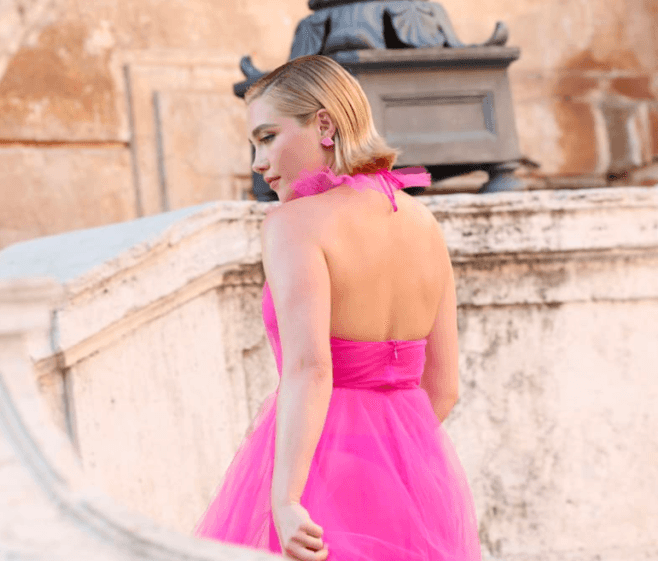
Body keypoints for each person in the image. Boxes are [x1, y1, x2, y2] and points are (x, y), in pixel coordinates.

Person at [192, 54, 481, 560]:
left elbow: (309, 367)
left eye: (267, 137)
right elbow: (443, 387)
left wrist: (284, 499)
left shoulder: (294, 224)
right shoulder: (422, 223)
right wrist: (384, 465)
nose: (258, 164)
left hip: (314, 471)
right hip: (408, 478)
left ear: (324, 124)